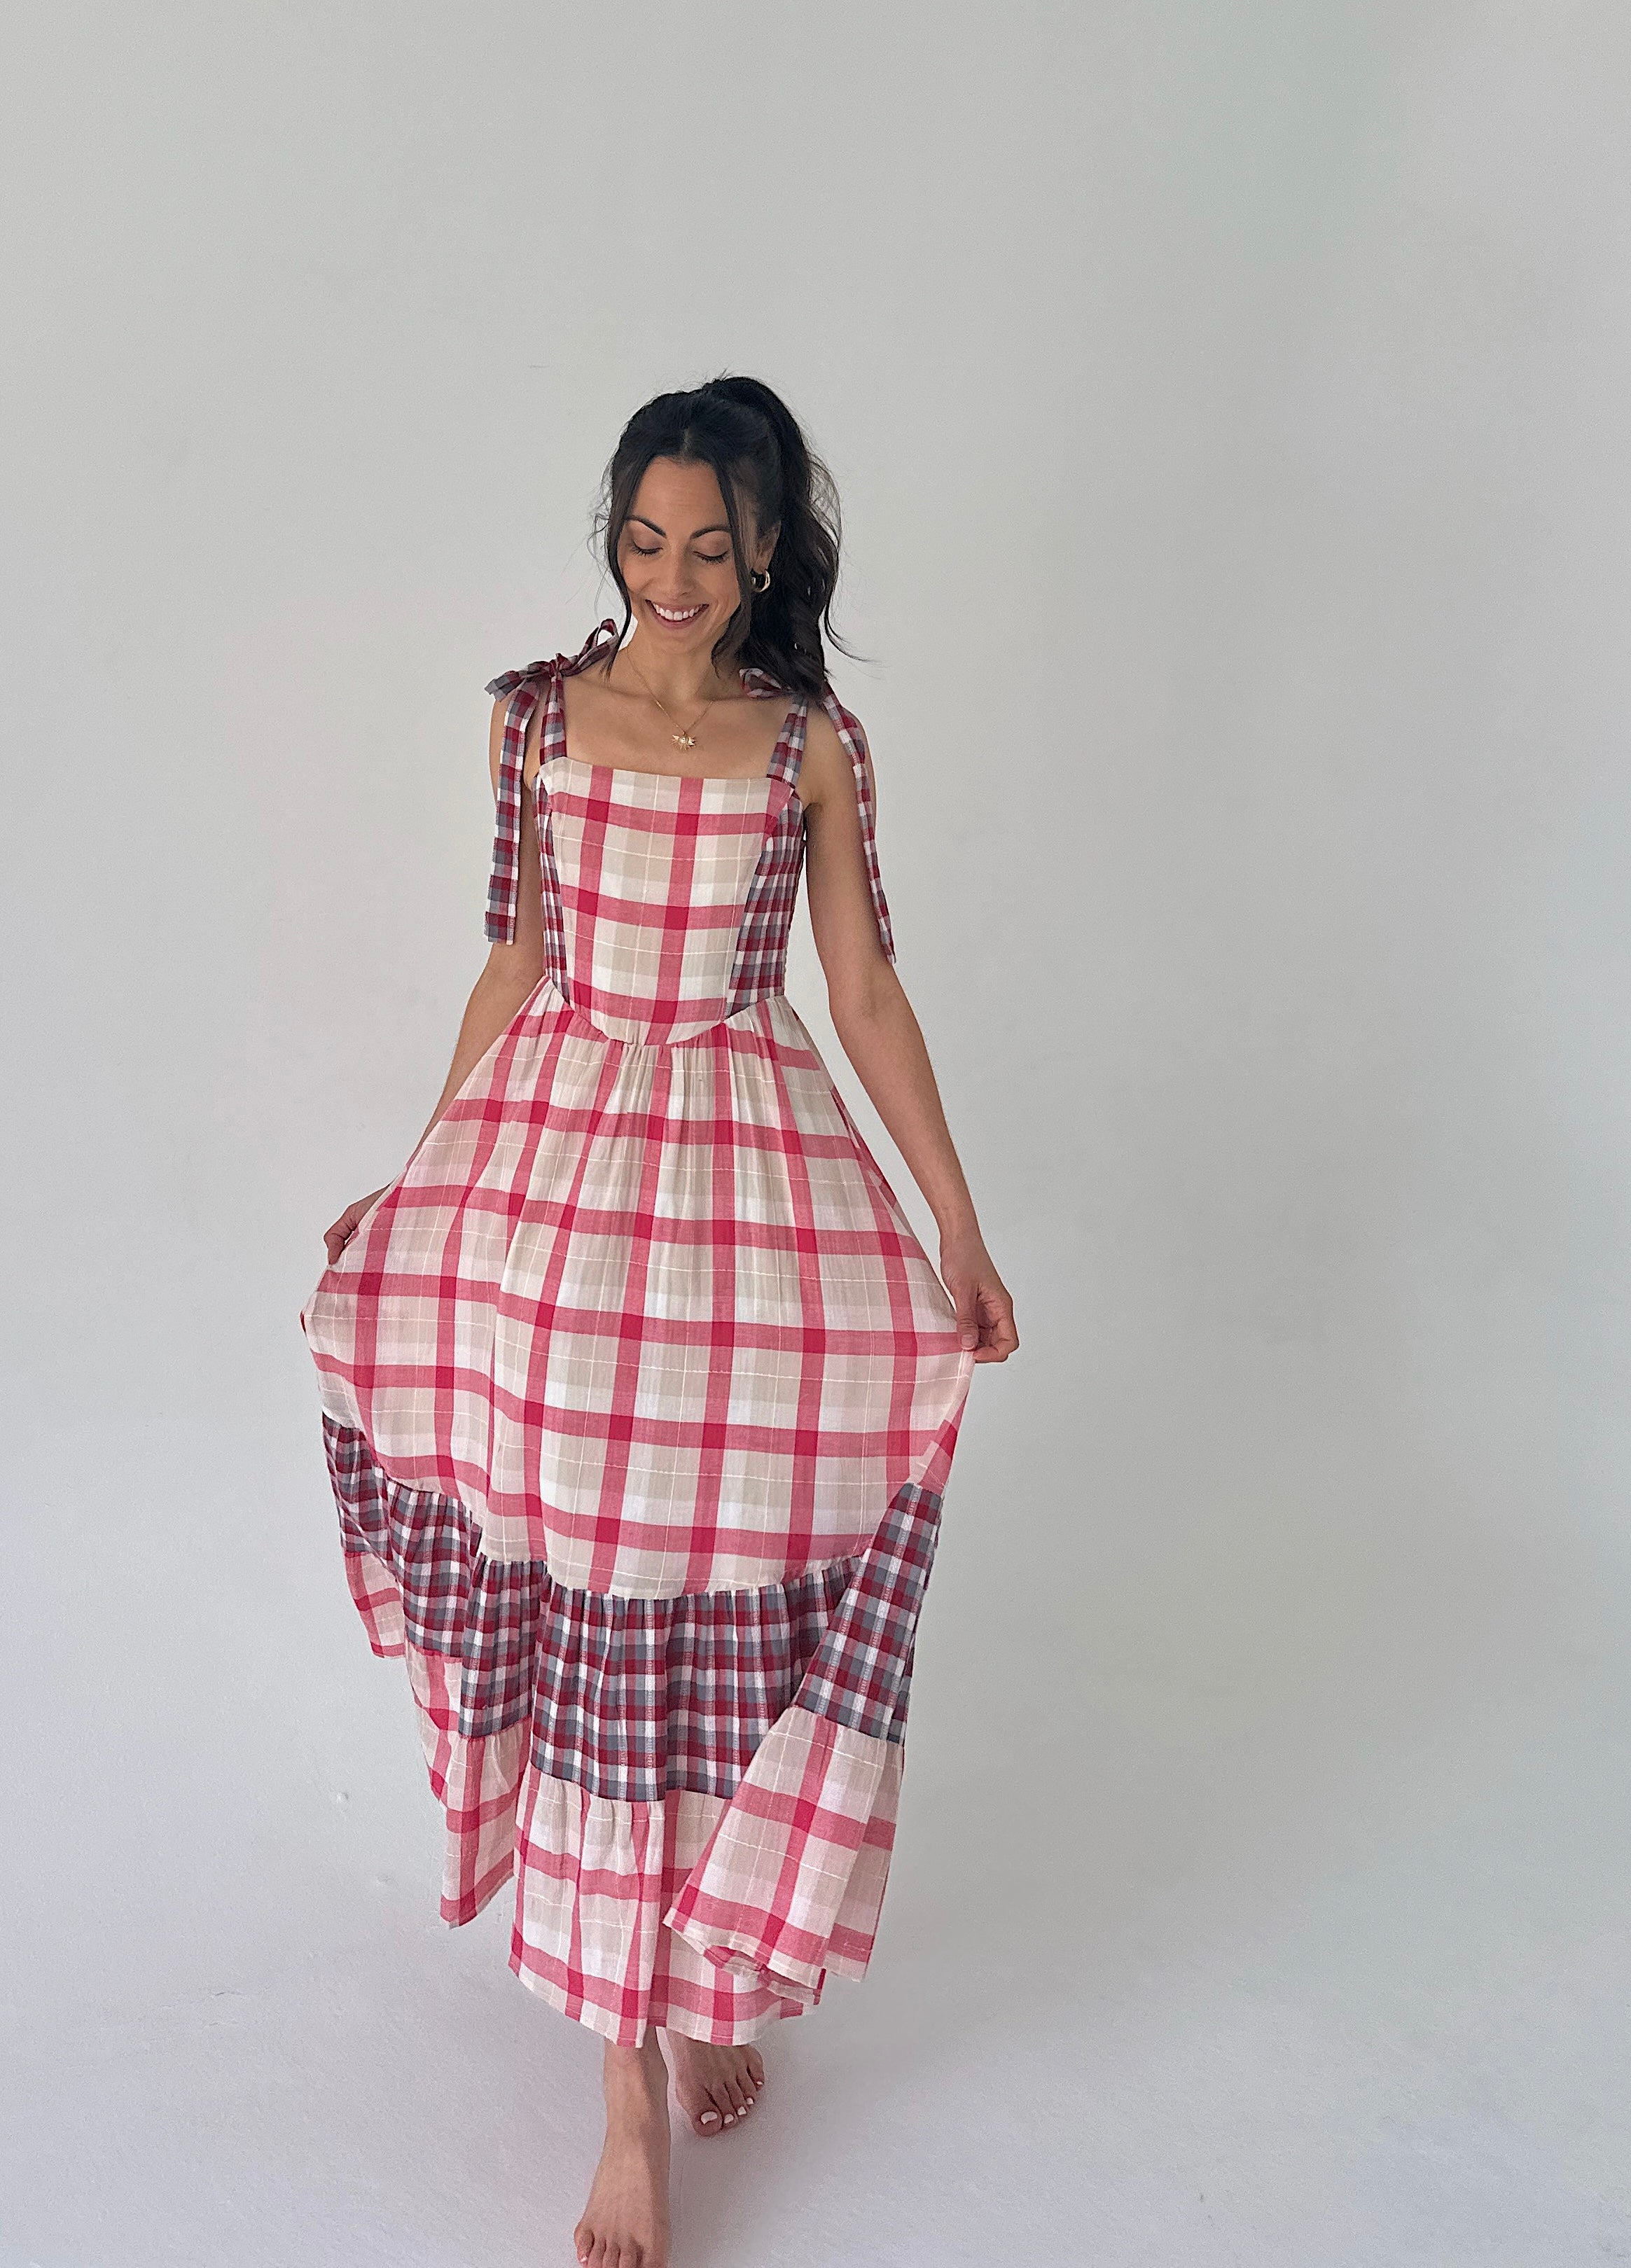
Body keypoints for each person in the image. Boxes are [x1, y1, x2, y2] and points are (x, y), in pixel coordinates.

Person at [300, 374, 1017, 2268]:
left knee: (719, 1579)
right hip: (560, 1186)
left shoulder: (811, 749)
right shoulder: (534, 721)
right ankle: (623, 2083)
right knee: (598, 1585)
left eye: (714, 544)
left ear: (771, 549)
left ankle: (704, 1957)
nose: (675, 575)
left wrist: (955, 1221)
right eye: (644, 538)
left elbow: (864, 996)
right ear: (609, 534)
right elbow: (518, 963)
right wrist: (417, 1175)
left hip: (745, 1185)